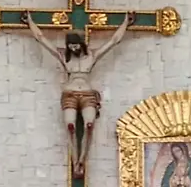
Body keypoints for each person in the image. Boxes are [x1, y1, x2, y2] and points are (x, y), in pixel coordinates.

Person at [23, 11, 134, 178]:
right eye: (70, 45)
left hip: (88, 94)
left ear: (81, 44)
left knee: (89, 126)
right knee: (71, 127)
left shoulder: (92, 56)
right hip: (69, 94)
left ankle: (82, 160)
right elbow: (41, 38)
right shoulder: (64, 57)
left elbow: (114, 41)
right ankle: (75, 162)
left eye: (75, 45)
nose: (73, 48)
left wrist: (125, 23)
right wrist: (30, 22)